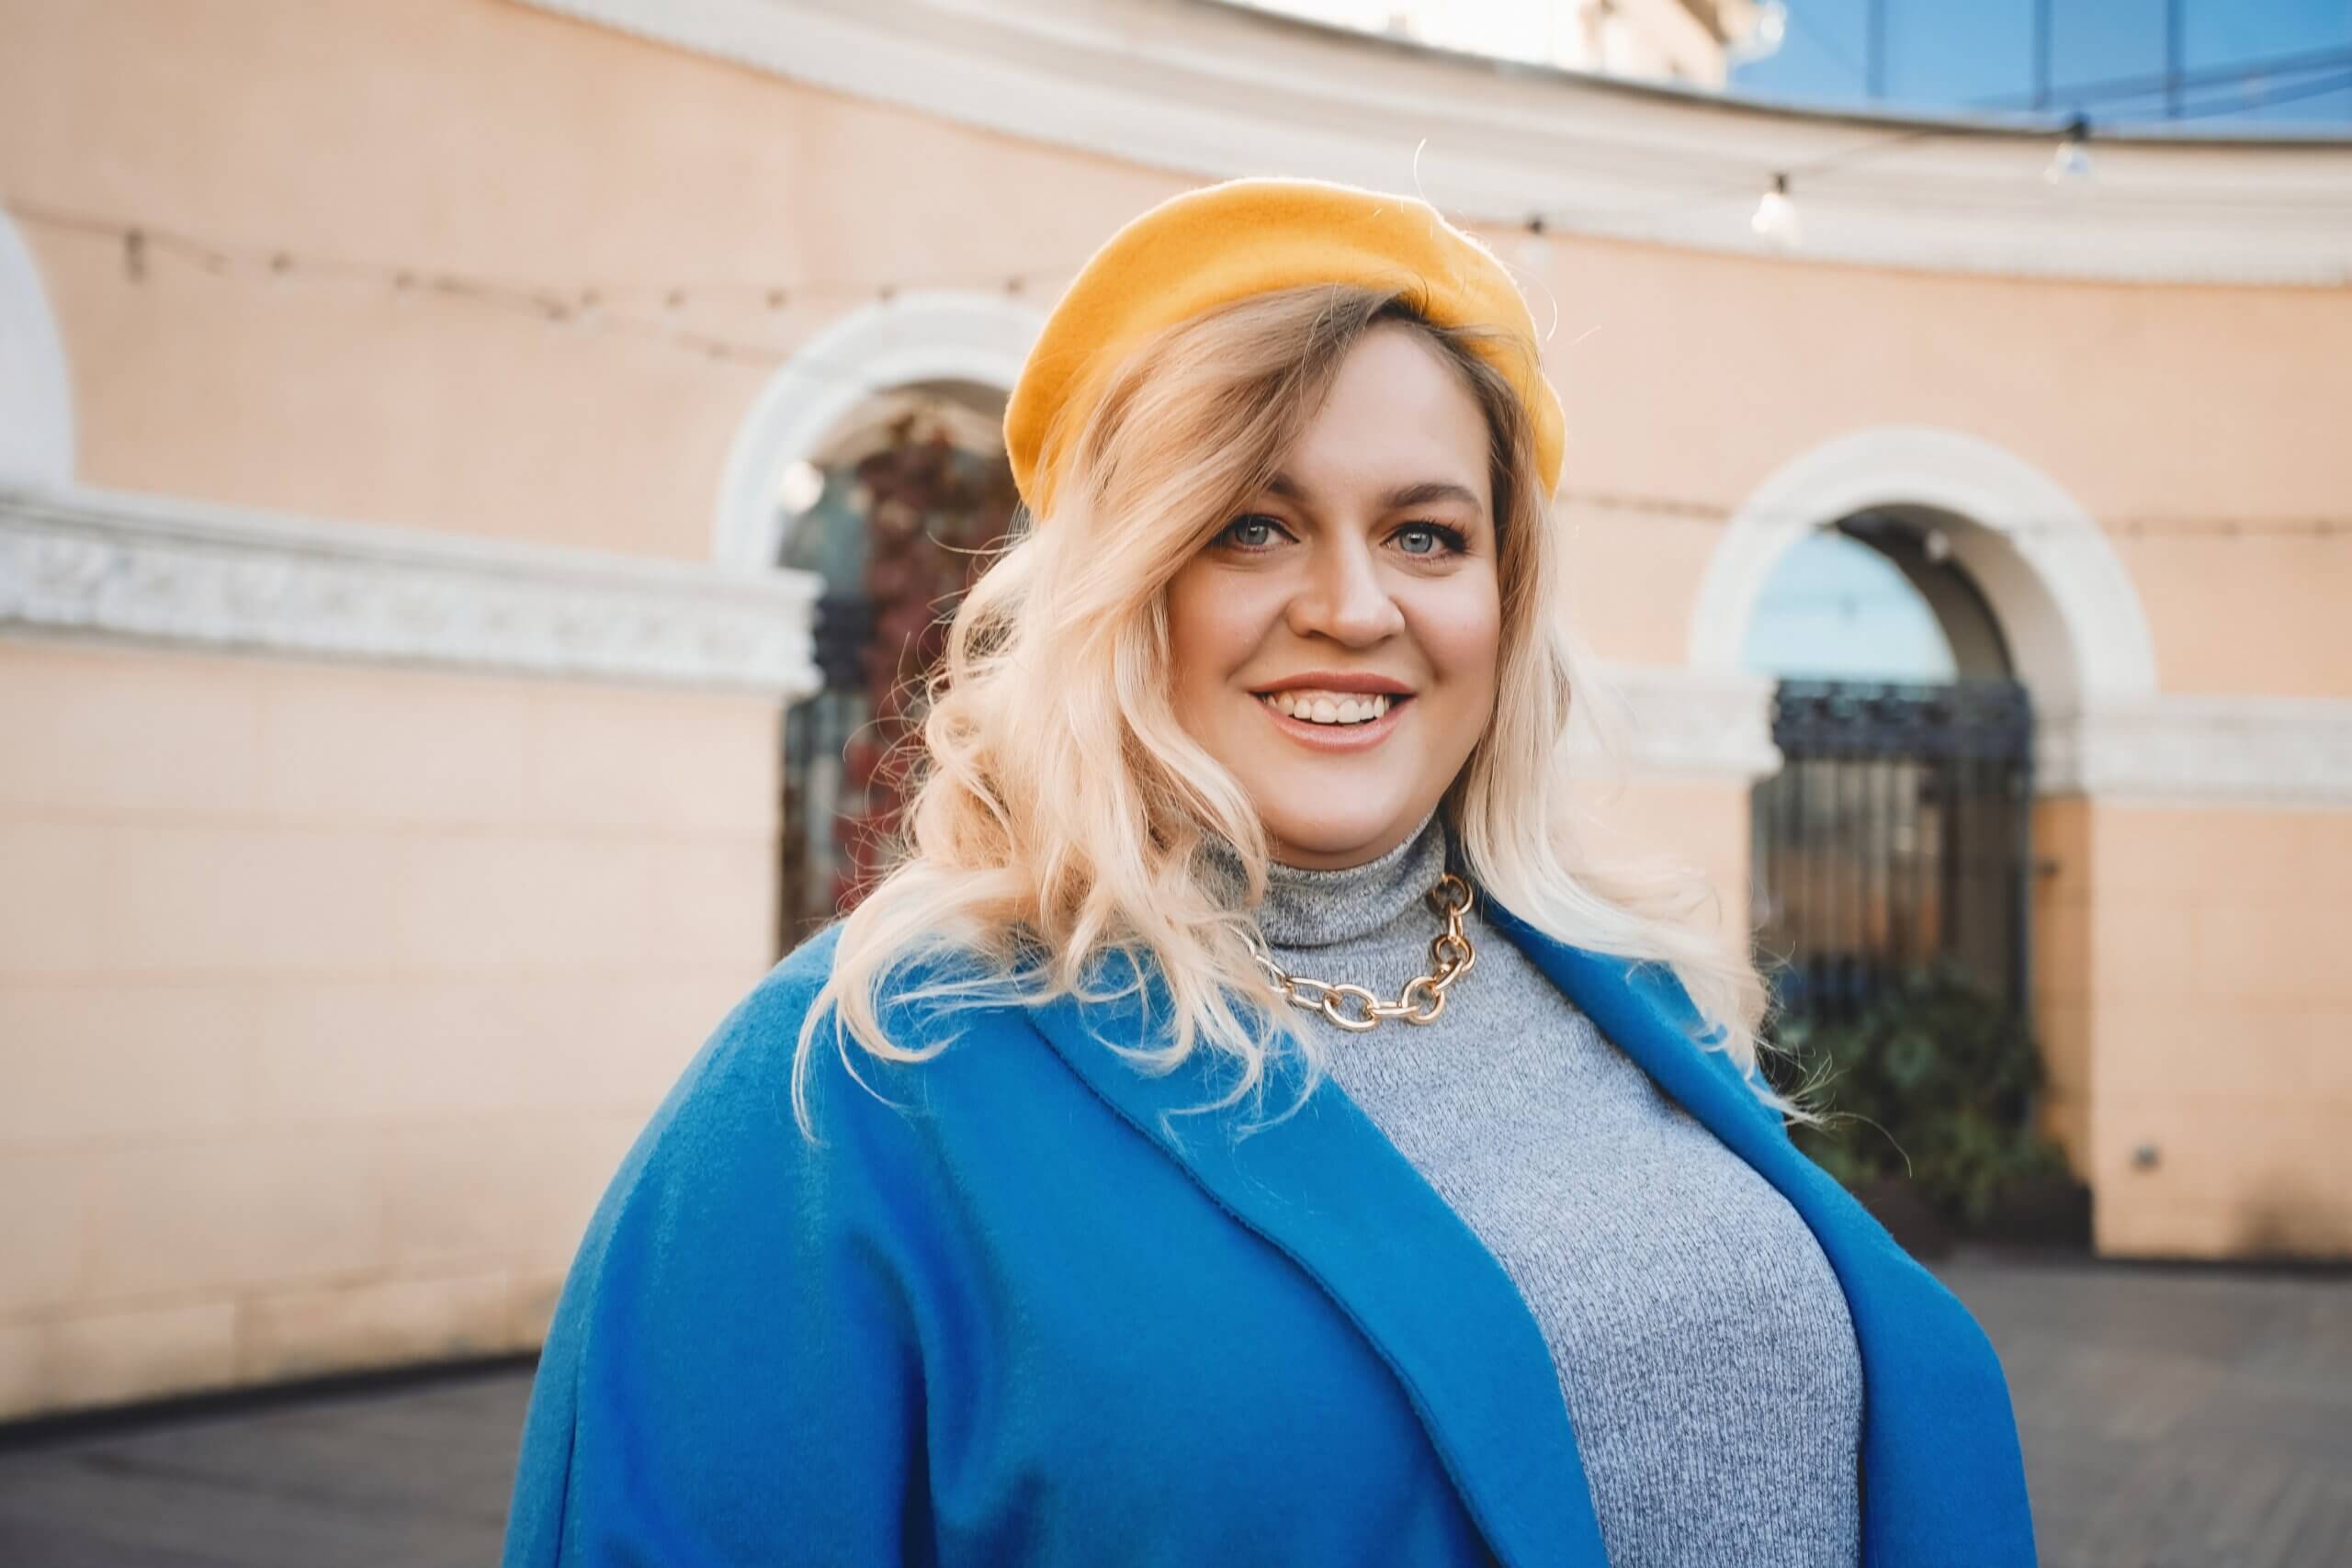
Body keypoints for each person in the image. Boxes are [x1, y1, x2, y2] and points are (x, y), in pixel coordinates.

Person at [500, 176, 2036, 1567]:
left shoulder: (1637, 995)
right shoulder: (859, 1080)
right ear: (1127, 578)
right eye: (1252, 525)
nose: (1355, 606)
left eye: (1429, 536)